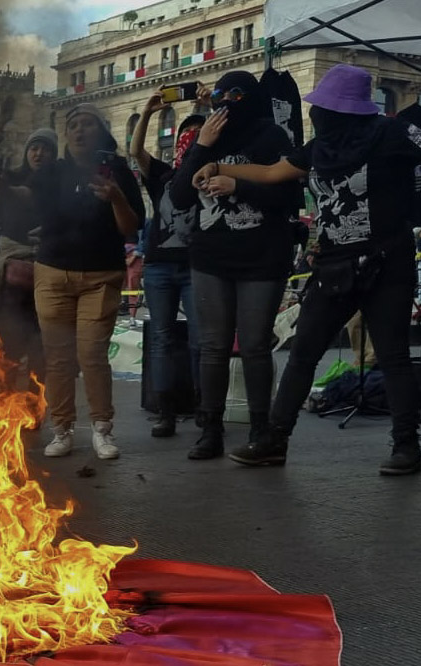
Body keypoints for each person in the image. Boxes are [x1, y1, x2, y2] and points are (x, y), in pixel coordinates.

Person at [197, 64, 421, 474]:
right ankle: (275, 439)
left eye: (324, 108)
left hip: (385, 261)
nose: (318, 115)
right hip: (334, 264)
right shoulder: (320, 148)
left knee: (391, 355)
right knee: (305, 353)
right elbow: (275, 171)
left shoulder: (392, 132)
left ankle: (405, 446)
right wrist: (222, 168)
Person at [170, 70, 301, 462]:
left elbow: (289, 198)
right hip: (212, 255)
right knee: (212, 346)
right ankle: (210, 428)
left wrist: (237, 184)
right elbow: (179, 197)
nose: (227, 101)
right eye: (222, 94)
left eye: (237, 94)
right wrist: (202, 146)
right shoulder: (207, 135)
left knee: (255, 345)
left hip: (263, 255)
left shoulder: (272, 136)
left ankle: (261, 430)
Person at [20, 103, 144, 459]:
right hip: (53, 273)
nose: (78, 130)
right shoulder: (52, 172)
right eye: (72, 125)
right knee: (57, 357)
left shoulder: (118, 170)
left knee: (91, 353)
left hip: (101, 275)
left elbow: (132, 227)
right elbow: (24, 194)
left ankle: (102, 429)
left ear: (101, 131)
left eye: (87, 124)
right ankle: (61, 429)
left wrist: (116, 196)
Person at [130, 89, 206, 438]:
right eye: (185, 135)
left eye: (196, 135)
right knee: (161, 338)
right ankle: (165, 411)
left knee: (200, 340)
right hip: (160, 267)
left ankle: (203, 406)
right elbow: (135, 153)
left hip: (196, 267)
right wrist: (146, 114)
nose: (188, 143)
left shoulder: (211, 173)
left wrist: (209, 106)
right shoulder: (161, 174)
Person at [0, 117, 58, 381]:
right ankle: (4, 399)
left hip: (46, 269)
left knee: (39, 342)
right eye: (34, 147)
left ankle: (34, 403)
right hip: (10, 266)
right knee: (7, 335)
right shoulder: (12, 176)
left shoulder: (59, 185)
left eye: (45, 148)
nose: (39, 153)